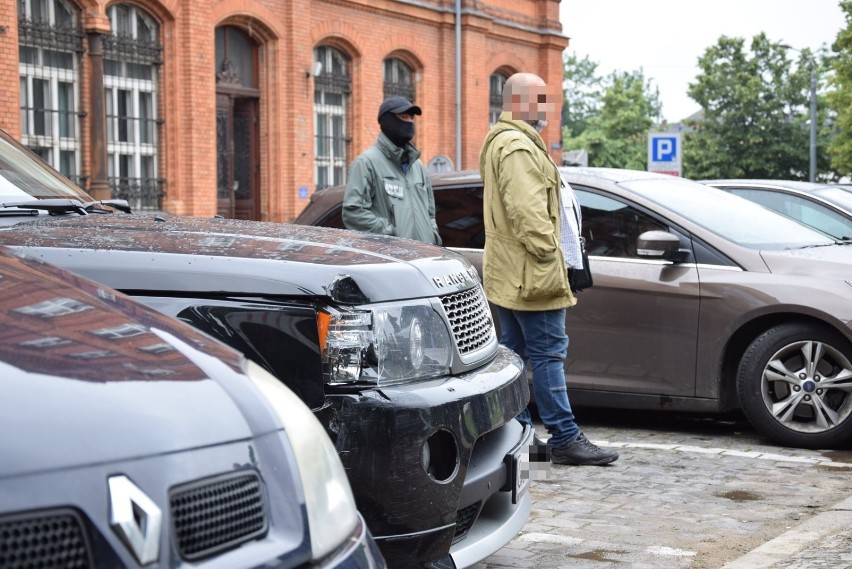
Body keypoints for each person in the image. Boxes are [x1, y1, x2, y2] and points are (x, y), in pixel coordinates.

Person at [478, 72, 618, 466]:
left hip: (513, 272)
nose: (546, 108)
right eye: (540, 99)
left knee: (517, 355)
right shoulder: (517, 146)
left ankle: (519, 439)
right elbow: (527, 212)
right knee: (547, 354)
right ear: (519, 101)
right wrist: (550, 255)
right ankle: (565, 438)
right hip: (531, 272)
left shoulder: (505, 142)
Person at [342, 96, 442, 245]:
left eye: (411, 117)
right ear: (387, 121)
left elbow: (430, 213)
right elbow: (353, 212)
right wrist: (391, 233)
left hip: (423, 258)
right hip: (392, 260)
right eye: (403, 117)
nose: (409, 122)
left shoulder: (418, 167)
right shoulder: (366, 163)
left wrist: (433, 238)